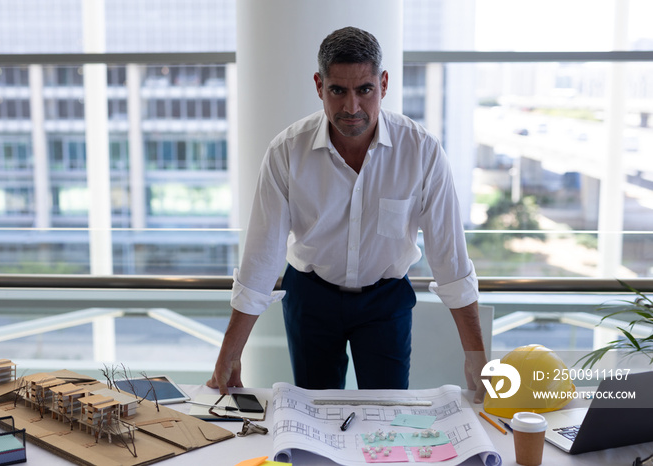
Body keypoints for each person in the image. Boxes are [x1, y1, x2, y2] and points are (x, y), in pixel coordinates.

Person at [207, 26, 487, 402]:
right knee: (314, 412)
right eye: (338, 90)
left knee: (388, 410)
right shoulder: (287, 151)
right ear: (319, 86)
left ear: (383, 84)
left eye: (364, 90)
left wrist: (475, 356)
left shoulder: (421, 150)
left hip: (385, 300)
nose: (351, 107)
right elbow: (261, 257)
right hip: (310, 296)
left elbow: (450, 258)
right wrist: (231, 350)